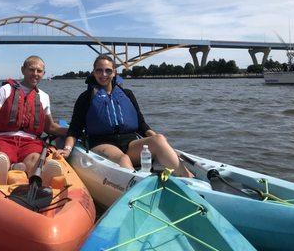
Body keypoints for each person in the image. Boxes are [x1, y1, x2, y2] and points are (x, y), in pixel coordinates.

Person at [55, 55, 193, 177]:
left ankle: (190, 180)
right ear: (94, 72)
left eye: (108, 70)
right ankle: (141, 190)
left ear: (114, 73)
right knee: (123, 159)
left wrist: (162, 144)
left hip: (130, 143)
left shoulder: (127, 94)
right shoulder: (85, 98)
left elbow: (141, 125)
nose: (104, 74)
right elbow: (75, 129)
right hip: (102, 143)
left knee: (159, 139)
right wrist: (67, 150)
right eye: (99, 70)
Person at [0, 55, 67, 184]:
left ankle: (39, 178)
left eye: (39, 71)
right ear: (23, 70)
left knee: (35, 158)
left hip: (30, 141)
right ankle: (3, 174)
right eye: (31, 69)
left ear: (43, 73)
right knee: (1, 157)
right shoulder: (5, 90)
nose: (35, 74)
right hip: (3, 138)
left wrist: (72, 131)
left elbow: (50, 127)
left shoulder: (44, 97)